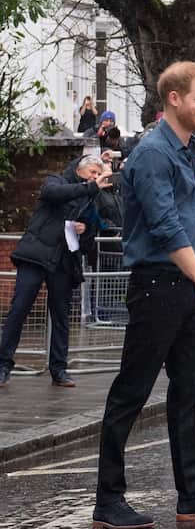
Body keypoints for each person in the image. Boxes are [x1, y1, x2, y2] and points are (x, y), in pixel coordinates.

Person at [92, 61, 195, 529]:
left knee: (189, 391)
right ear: (175, 99)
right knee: (131, 393)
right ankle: (108, 501)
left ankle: (194, 495)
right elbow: (164, 227)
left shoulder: (188, 148)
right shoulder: (153, 154)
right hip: (158, 285)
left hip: (184, 286)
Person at [0, 155, 112, 388]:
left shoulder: (92, 197)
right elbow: (54, 195)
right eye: (93, 172)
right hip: (37, 255)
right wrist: (89, 187)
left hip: (63, 260)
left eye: (97, 174)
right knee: (19, 310)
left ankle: (59, 369)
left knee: (61, 317)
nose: (95, 177)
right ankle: (3, 365)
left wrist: (85, 229)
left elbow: (93, 235)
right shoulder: (57, 181)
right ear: (80, 170)